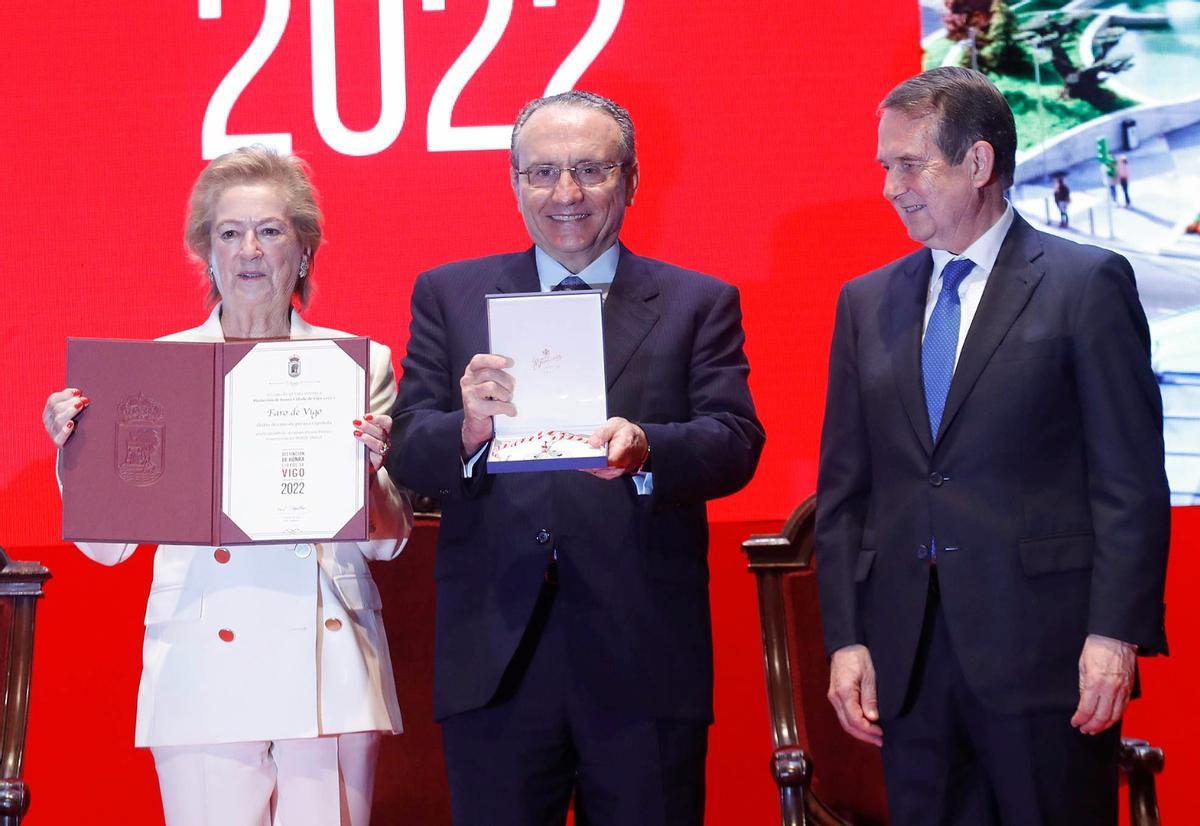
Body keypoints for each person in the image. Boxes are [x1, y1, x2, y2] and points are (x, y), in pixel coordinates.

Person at [388, 90, 764, 826]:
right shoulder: (450, 295)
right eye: (543, 172)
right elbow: (408, 446)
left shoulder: (697, 301)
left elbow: (735, 439)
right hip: (495, 656)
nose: (567, 193)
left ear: (631, 180)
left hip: (644, 655)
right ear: (515, 182)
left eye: (591, 170)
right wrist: (468, 428)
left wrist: (648, 448)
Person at [815, 67, 1169, 826]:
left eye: (910, 165)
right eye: (885, 167)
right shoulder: (865, 302)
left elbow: (1129, 481)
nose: (891, 188)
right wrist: (846, 640)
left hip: (1048, 656)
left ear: (977, 162)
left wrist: (1115, 633)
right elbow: (846, 492)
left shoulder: (1086, 284)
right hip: (908, 663)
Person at [42, 147, 413, 826]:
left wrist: (368, 475)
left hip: (328, 662)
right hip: (201, 661)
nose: (250, 250)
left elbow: (388, 545)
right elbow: (106, 549)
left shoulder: (358, 363)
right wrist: (77, 454)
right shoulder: (157, 370)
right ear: (205, 253)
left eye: (270, 231)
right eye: (230, 232)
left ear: (304, 251)